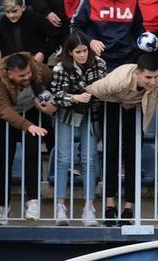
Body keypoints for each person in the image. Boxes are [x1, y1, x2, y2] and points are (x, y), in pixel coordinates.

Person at [84, 54, 158, 225]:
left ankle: (128, 208)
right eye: (148, 77)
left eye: (155, 76)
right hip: (112, 106)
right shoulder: (118, 79)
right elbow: (92, 90)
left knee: (133, 156)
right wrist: (119, 100)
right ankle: (109, 206)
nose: (152, 81)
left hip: (137, 111)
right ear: (137, 74)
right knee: (111, 153)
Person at [48, 31, 107, 227]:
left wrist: (93, 93)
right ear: (70, 52)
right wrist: (74, 98)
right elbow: (55, 95)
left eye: (84, 50)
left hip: (91, 114)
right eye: (77, 51)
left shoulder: (99, 63)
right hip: (67, 114)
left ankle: (89, 207)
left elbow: (105, 87)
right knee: (63, 158)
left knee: (89, 158)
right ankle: (60, 206)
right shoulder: (59, 67)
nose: (82, 55)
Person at [0, 52, 56, 223]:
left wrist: (50, 103)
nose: (27, 77)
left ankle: (33, 201)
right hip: (8, 117)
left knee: (33, 155)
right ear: (10, 73)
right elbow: (4, 110)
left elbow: (54, 81)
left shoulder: (36, 69)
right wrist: (28, 126)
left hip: (32, 112)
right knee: (4, 159)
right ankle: (4, 205)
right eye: (21, 76)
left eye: (28, 74)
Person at [70, 0, 146, 69]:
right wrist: (90, 41)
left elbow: (138, 28)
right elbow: (75, 28)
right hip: (99, 58)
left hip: (128, 57)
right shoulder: (89, 1)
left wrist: (147, 40)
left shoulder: (133, 2)